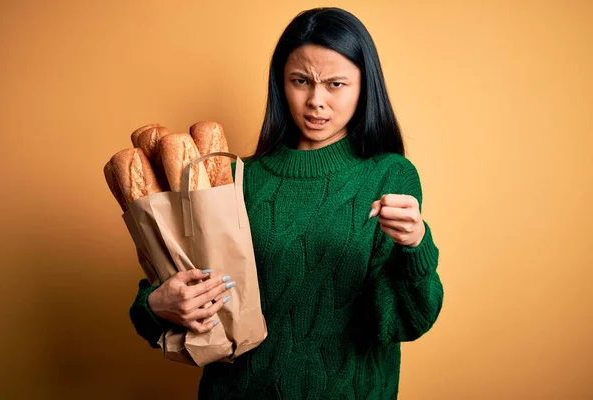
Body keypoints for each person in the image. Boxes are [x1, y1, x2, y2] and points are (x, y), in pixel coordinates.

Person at [128, 6, 444, 399]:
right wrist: (158, 304)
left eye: (336, 84)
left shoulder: (389, 176)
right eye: (301, 81)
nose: (316, 101)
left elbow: (405, 322)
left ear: (365, 86)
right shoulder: (235, 179)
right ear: (281, 83)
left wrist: (415, 244)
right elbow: (164, 292)